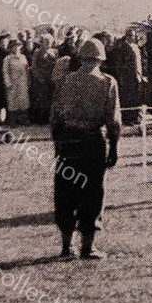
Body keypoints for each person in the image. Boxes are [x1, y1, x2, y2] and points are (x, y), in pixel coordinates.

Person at [49, 40, 121, 260]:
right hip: (93, 141)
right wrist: (114, 147)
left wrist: (58, 145)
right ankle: (87, 247)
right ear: (100, 59)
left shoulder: (65, 81)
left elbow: (54, 118)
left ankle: (66, 247)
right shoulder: (107, 82)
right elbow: (114, 121)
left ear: (81, 58)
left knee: (66, 192)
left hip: (69, 140)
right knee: (92, 193)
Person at [2, 41, 30, 130]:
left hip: (23, 81)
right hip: (13, 82)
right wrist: (8, 83)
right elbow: (5, 72)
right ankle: (12, 121)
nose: (16, 48)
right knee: (12, 101)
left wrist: (29, 80)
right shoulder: (7, 59)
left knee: (23, 100)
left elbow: (27, 69)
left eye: (18, 46)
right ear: (11, 48)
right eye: (14, 46)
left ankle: (24, 120)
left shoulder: (23, 57)